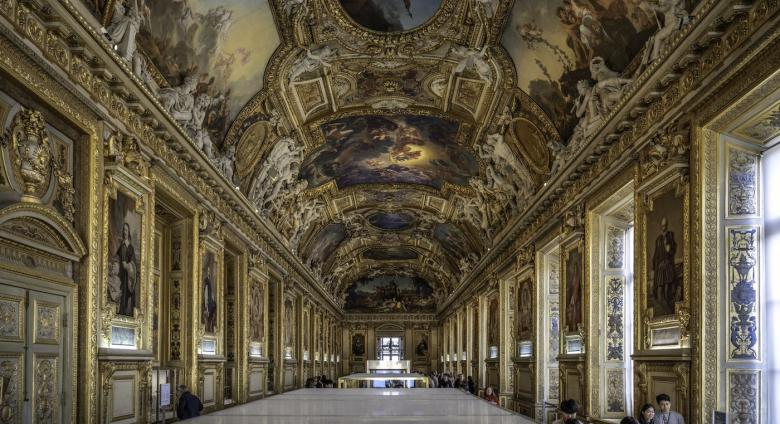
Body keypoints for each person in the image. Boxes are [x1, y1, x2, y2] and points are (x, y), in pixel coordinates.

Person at [116, 222, 137, 316]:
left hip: (130, 274)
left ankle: (129, 312)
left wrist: (131, 267)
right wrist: (128, 266)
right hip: (124, 274)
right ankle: (122, 312)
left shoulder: (130, 246)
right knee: (124, 293)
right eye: (123, 230)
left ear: (128, 232)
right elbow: (123, 263)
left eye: (126, 230)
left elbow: (133, 260)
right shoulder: (122, 246)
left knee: (131, 293)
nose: (125, 232)